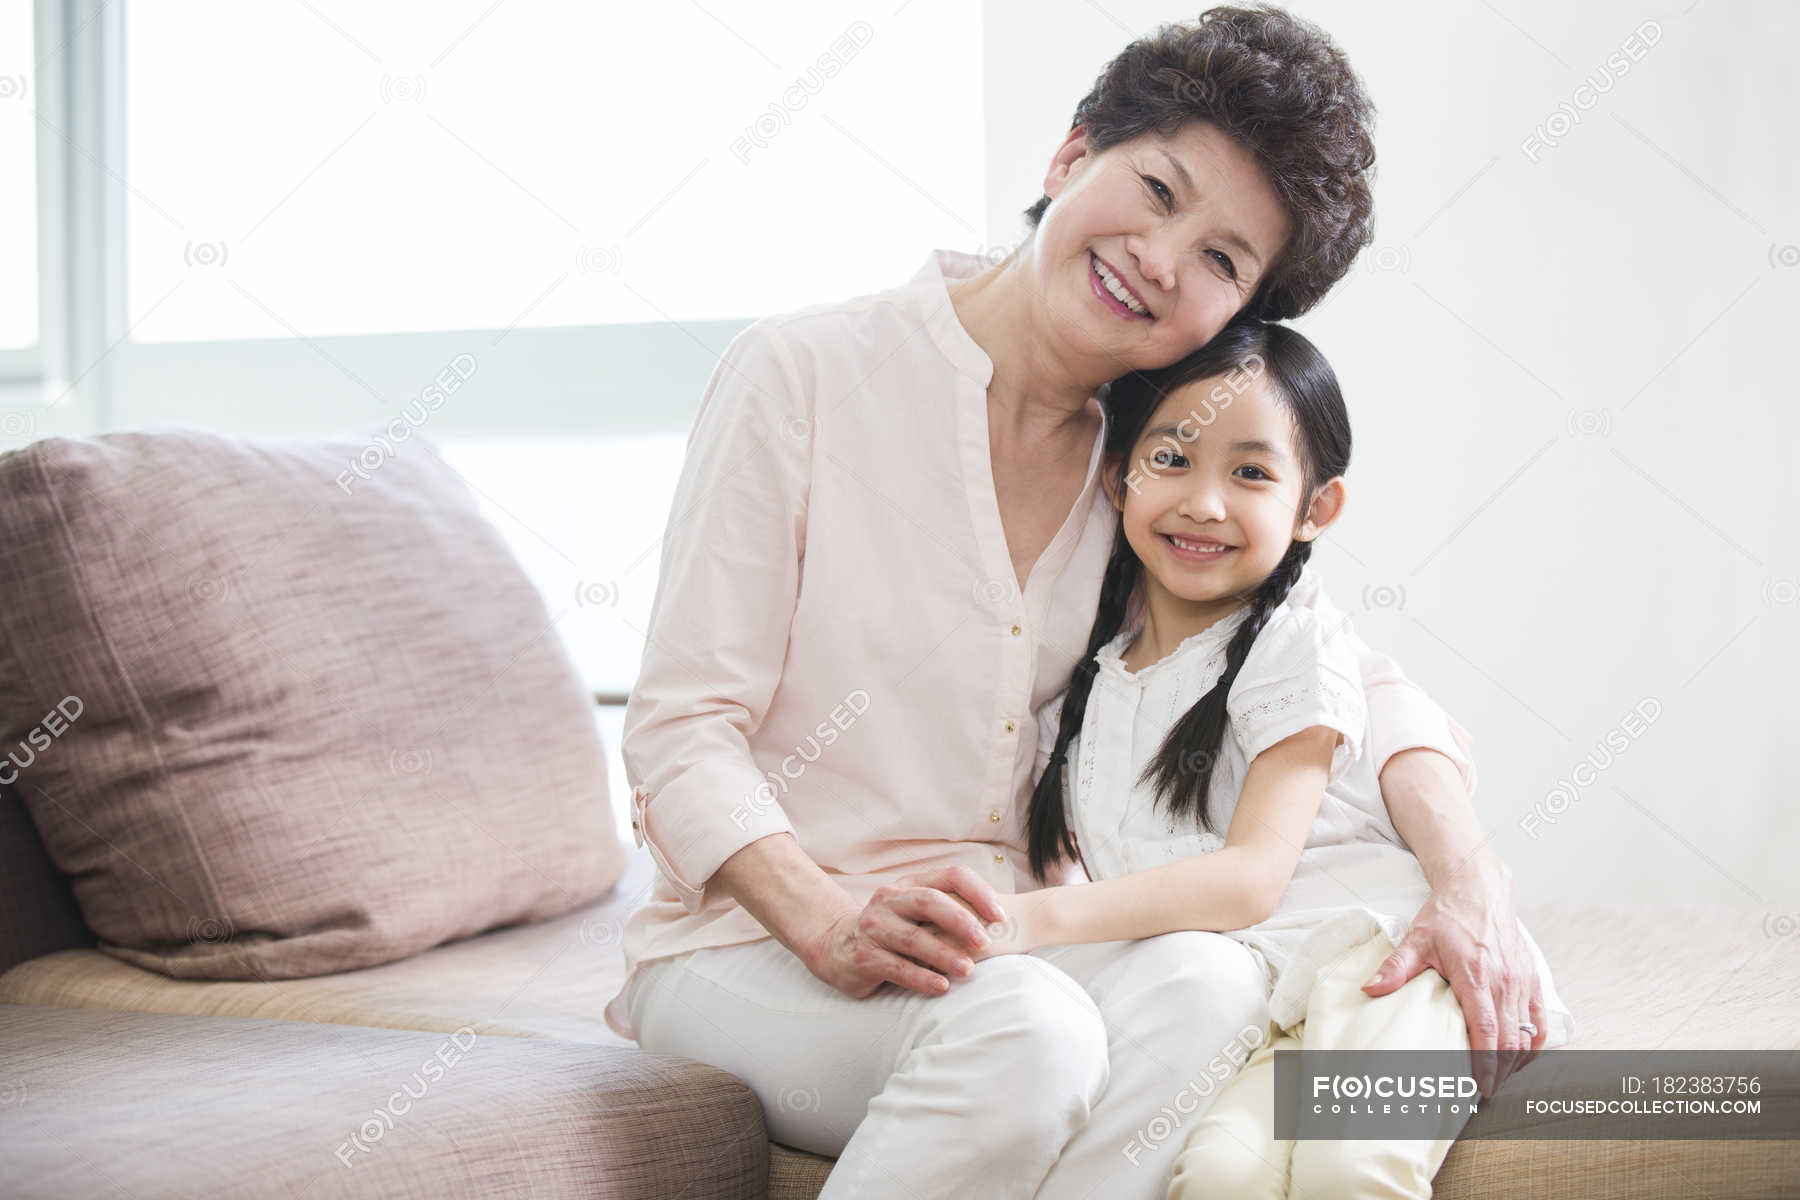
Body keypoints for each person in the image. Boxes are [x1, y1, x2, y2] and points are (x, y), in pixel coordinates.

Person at [605, 8, 1551, 1197]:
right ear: (1069, 157)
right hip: (751, 948)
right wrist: (824, 918)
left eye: (1222, 259)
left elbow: (1348, 676)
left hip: (1011, 944)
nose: (1163, 258)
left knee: (1207, 980)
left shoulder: (1157, 466)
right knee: (1029, 1034)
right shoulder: (804, 376)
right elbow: (683, 726)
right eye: (1157, 190)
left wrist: (1474, 884)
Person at [978, 318, 1574, 1198]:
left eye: (1251, 473)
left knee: (1349, 1167)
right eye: (1172, 459)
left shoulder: (1297, 649)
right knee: (1220, 1175)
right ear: (1118, 476)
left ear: (1314, 510)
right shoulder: (1087, 690)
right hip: (1266, 1007)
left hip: (1391, 967)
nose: (1205, 503)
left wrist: (1025, 926)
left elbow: (1250, 879)